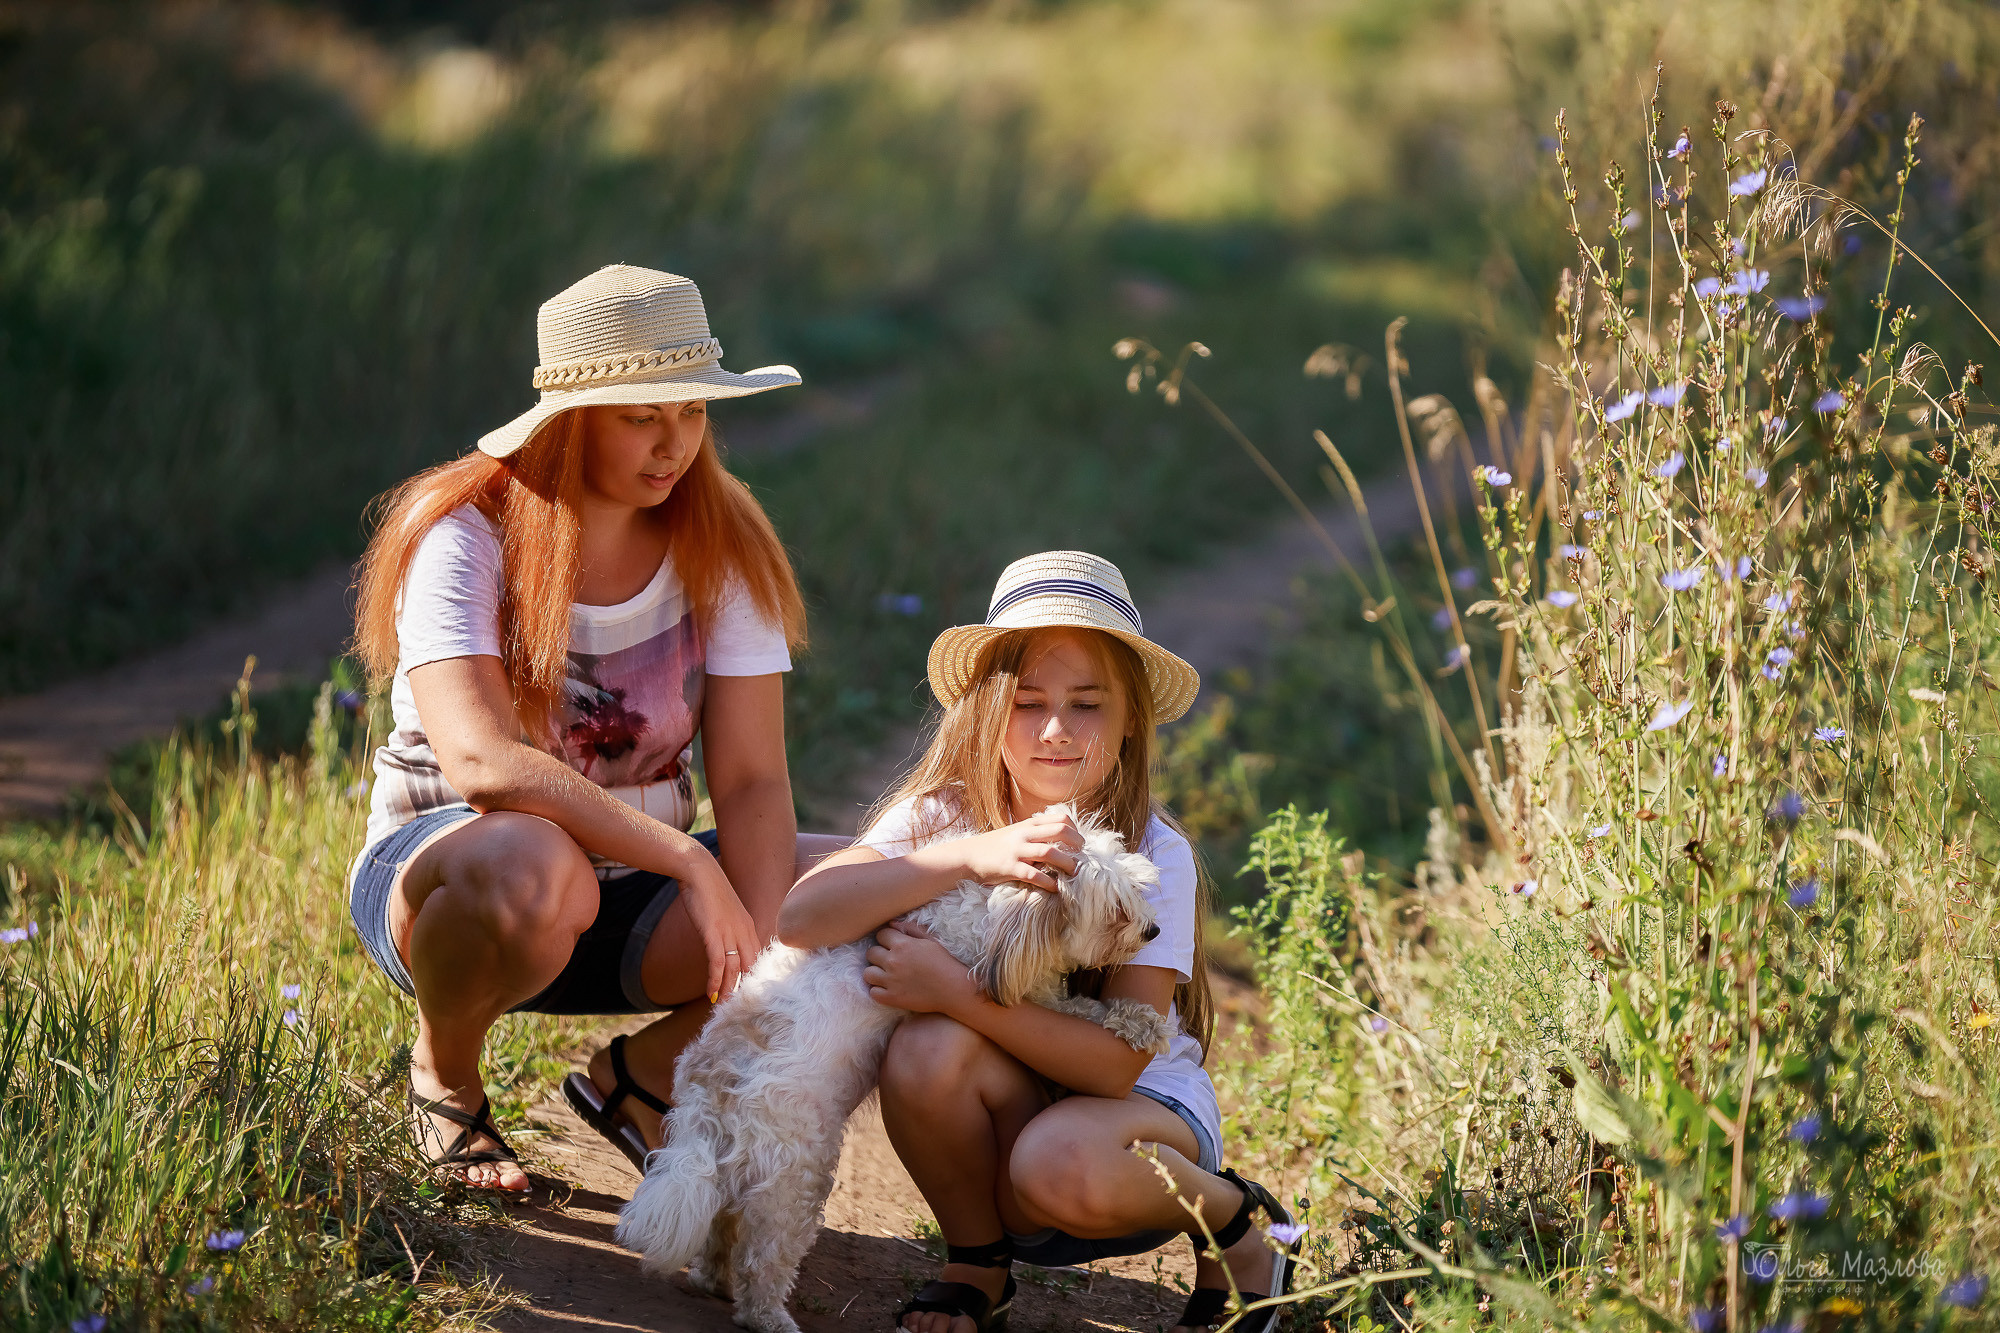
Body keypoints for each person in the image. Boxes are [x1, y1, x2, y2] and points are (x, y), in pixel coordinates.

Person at [348, 265, 843, 1192]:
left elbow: (750, 784)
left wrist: (763, 961)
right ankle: (443, 1075)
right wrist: (689, 859)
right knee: (538, 864)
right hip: (463, 880)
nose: (675, 444)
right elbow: (483, 761)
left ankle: (644, 1082)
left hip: (636, 894)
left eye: (692, 412)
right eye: (640, 416)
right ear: (571, 419)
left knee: (871, 890)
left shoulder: (723, 543)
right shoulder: (463, 532)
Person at [777, 552, 1297, 1333]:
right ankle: (976, 1263)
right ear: (986, 712)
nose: (1055, 730)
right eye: (1027, 702)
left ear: (1130, 723)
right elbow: (802, 916)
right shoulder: (943, 817)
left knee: (1055, 1164)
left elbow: (1117, 1065)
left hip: (1134, 1114)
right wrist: (963, 855)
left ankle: (1236, 1222)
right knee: (923, 1053)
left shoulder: (1153, 853)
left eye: (1087, 703)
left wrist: (956, 992)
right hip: (1016, 1100)